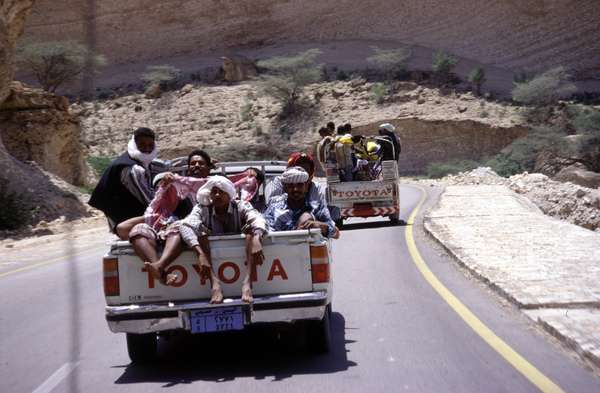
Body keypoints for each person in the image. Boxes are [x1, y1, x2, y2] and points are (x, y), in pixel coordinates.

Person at [146, 176, 267, 303]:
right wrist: (200, 254)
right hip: (207, 247)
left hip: (243, 247)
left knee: (250, 232)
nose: (217, 195)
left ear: (229, 194)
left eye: (222, 191)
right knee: (201, 235)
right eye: (214, 192)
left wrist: (257, 238)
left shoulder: (240, 205)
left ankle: (247, 283)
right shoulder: (202, 208)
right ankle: (215, 284)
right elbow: (185, 226)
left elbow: (258, 219)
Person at [119, 150, 213, 283]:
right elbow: (124, 228)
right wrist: (166, 187)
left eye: (201, 163)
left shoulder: (217, 186)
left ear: (209, 167)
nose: (196, 165)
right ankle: (161, 271)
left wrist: (252, 173)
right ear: (188, 168)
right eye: (193, 163)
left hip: (187, 230)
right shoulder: (177, 191)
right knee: (138, 230)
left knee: (179, 227)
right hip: (167, 229)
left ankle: (159, 268)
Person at [89, 127, 158, 235]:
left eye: (150, 145)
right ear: (135, 145)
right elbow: (150, 201)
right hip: (124, 220)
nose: (147, 149)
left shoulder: (140, 161)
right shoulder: (132, 169)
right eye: (142, 145)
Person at [264, 167, 339, 239]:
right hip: (281, 250)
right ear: (285, 188)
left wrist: (319, 225)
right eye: (291, 185)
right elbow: (265, 232)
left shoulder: (317, 208)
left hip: (311, 251)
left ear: (306, 187)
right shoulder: (274, 209)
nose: (295, 189)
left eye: (299, 185)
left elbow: (336, 233)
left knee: (306, 217)